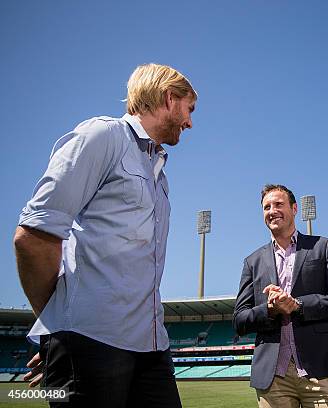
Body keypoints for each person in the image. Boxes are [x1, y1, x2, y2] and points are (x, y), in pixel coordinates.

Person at [13, 63, 197, 407]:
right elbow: (34, 235)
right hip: (91, 340)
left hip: (151, 345)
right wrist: (58, 330)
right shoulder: (103, 136)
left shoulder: (159, 173)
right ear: (170, 99)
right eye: (189, 109)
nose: (190, 122)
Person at [233, 184, 328, 408]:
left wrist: (298, 305)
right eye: (266, 207)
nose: (272, 210)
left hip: (320, 369)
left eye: (279, 204)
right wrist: (270, 310)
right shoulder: (252, 261)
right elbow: (239, 319)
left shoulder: (322, 246)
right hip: (273, 377)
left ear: (295, 208)